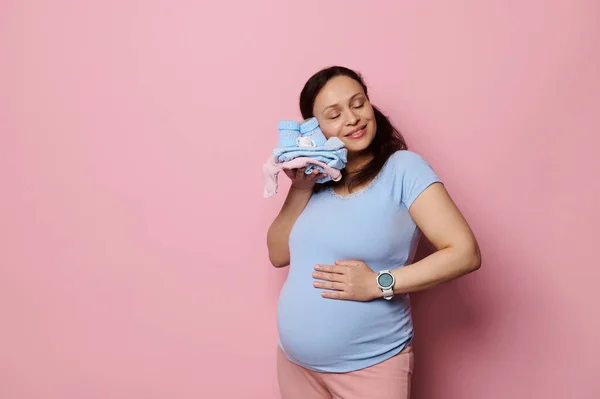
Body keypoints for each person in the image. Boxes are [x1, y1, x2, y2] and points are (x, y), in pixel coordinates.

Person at [266, 66, 481, 399]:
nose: (352, 118)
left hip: (370, 367)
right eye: (334, 114)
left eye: (358, 103)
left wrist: (379, 283)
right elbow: (278, 254)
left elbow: (464, 252)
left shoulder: (403, 168)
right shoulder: (317, 180)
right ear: (315, 129)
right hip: (296, 366)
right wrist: (301, 188)